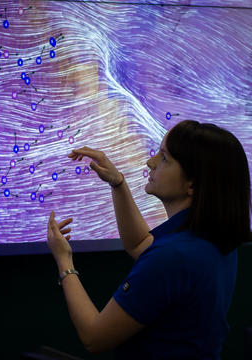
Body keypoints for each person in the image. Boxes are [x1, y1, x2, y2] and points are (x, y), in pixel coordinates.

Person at [47, 120, 251, 359]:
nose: (150, 162)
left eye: (164, 158)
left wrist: (64, 261)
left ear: (192, 184)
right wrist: (118, 183)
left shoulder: (172, 256)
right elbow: (139, 244)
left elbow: (94, 338)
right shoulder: (211, 240)